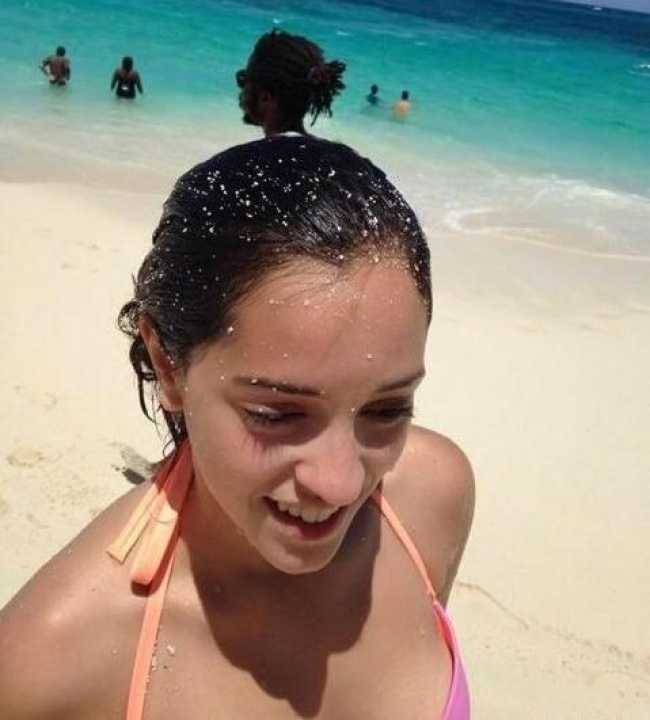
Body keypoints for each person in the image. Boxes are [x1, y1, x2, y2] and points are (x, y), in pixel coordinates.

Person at [0, 135, 474, 719]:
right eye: (277, 415)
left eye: (387, 410)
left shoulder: (429, 500)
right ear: (168, 366)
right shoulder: (53, 662)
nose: (342, 484)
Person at [236, 29, 346, 137]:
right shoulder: (340, 150)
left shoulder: (246, 151)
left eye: (244, 80)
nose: (241, 89)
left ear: (265, 97)